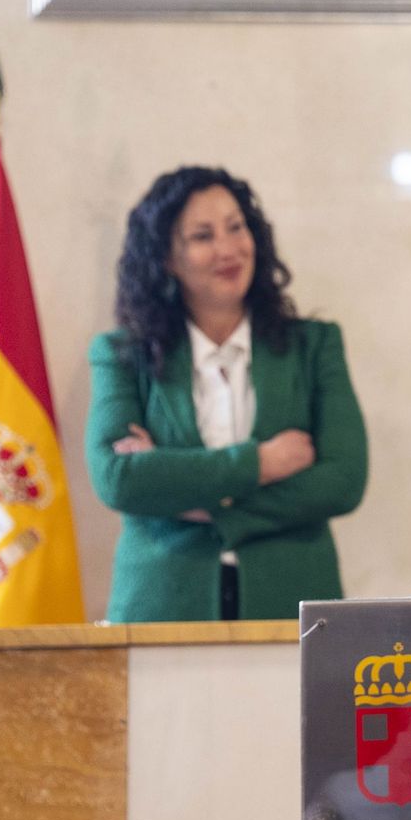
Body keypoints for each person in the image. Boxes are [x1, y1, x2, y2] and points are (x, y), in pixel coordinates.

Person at [85, 167, 368, 622]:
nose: (228, 249)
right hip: (162, 603)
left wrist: (193, 496)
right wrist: (261, 463)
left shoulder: (314, 346)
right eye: (203, 236)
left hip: (293, 603)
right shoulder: (122, 355)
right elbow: (118, 478)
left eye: (236, 227)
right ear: (166, 258)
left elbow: (343, 480)